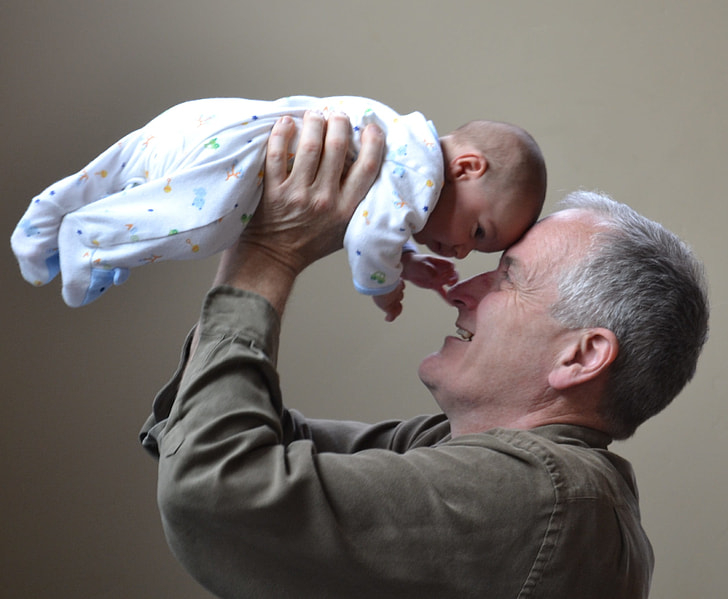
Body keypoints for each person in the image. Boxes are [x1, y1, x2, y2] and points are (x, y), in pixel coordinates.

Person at [139, 113, 709, 598]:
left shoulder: (538, 495)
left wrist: (268, 252)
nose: (461, 289)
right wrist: (287, 222)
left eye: (507, 278)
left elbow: (211, 489)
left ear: (581, 356)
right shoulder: (464, 453)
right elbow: (207, 430)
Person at [10, 96, 546, 318]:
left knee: (118, 172)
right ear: (467, 167)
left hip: (210, 123)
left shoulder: (405, 142)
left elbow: (376, 218)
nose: (462, 249)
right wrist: (384, 287)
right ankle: (90, 240)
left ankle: (45, 225)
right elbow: (366, 241)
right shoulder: (420, 171)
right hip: (236, 157)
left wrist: (407, 259)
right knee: (207, 227)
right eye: (479, 232)